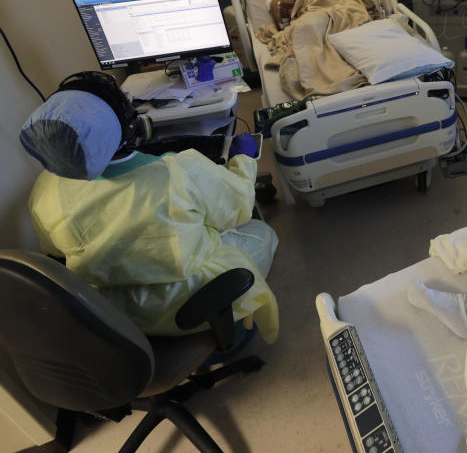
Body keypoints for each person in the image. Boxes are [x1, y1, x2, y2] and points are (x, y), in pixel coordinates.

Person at [20, 72, 280, 343]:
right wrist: (243, 159)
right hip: (189, 303)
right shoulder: (180, 171)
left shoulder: (43, 189)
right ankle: (231, 329)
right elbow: (238, 207)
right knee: (261, 234)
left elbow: (54, 251)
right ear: (130, 127)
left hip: (112, 315)